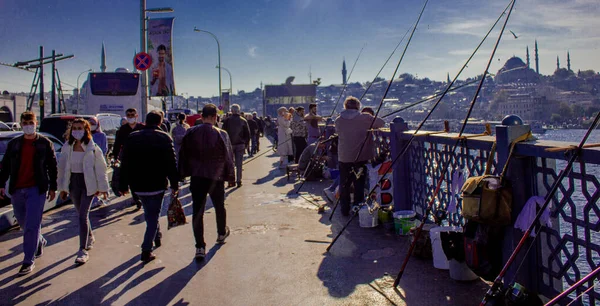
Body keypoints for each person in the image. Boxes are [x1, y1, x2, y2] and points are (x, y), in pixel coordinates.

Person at [0, 111, 57, 275]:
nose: (28, 126)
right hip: (17, 189)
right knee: (25, 225)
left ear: (36, 123)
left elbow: (52, 167)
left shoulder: (44, 143)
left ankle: (28, 261)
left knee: (32, 225)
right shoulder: (14, 144)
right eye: (24, 123)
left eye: (30, 123)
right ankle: (39, 242)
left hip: (36, 189)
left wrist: (53, 187)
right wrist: (1, 184)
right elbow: (5, 166)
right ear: (21, 124)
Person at [119, 110, 179, 263]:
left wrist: (123, 184)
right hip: (157, 182)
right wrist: (174, 183)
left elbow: (124, 162)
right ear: (160, 122)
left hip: (137, 184)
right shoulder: (164, 137)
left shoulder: (132, 137)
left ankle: (157, 236)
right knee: (153, 215)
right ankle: (146, 249)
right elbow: (171, 163)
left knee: (149, 213)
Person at [179, 104, 234, 260]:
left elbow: (183, 155)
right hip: (216, 177)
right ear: (215, 117)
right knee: (219, 206)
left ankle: (200, 247)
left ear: (201, 117)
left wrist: (182, 174)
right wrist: (230, 177)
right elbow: (228, 157)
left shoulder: (190, 132)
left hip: (197, 177)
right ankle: (221, 233)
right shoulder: (221, 134)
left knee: (198, 211)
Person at [57, 118, 109, 265]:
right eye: (75, 128)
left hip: (88, 184)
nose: (77, 131)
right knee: (81, 214)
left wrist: (103, 188)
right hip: (74, 184)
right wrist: (62, 188)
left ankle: (82, 249)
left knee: (82, 215)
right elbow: (62, 169)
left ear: (86, 130)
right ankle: (90, 236)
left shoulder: (92, 147)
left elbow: (100, 169)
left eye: (80, 128)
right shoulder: (67, 146)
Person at [335, 96, 385, 216]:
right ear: (358, 107)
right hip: (359, 157)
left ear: (345, 107)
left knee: (344, 184)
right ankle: (357, 207)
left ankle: (344, 209)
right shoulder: (365, 118)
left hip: (344, 157)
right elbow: (381, 123)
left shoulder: (338, 120)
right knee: (359, 184)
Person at [112, 108, 144, 209]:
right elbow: (117, 144)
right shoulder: (123, 129)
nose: (131, 117)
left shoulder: (142, 127)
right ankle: (136, 198)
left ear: (136, 116)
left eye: (132, 115)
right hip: (127, 157)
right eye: (129, 115)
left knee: (140, 177)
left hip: (140, 156)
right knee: (131, 178)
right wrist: (115, 156)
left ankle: (140, 195)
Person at [222, 104, 250, 188]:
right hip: (240, 144)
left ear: (231, 110)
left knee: (230, 164)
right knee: (239, 164)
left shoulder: (227, 121)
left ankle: (231, 181)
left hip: (229, 144)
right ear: (238, 110)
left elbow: (223, 133)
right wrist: (245, 144)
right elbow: (247, 134)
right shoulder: (243, 120)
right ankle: (239, 181)